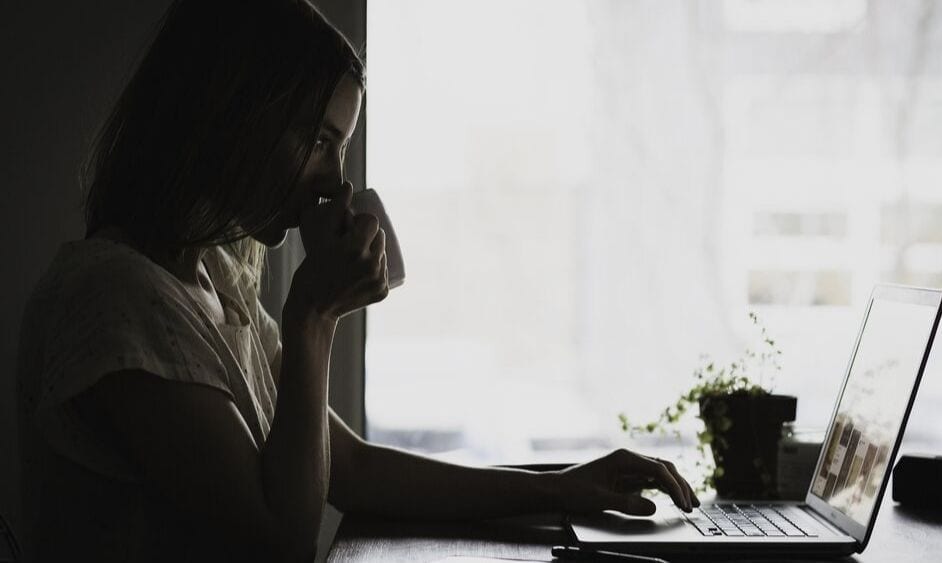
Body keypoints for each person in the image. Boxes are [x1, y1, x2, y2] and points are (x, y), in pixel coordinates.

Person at [15, 0, 698, 561]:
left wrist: (562, 487)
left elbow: (354, 468)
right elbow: (278, 543)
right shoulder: (115, 298)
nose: (336, 179)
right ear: (229, 116)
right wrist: (313, 317)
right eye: (317, 139)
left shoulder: (213, 286)